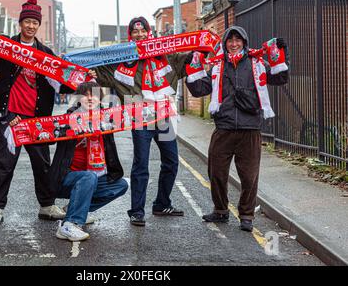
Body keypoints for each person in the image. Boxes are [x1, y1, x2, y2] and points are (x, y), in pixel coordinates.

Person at [0, 0, 72, 225]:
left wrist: (83, 79)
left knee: (43, 164)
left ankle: (47, 205)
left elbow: (63, 83)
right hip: (10, 116)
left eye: (35, 22)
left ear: (38, 25)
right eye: (27, 21)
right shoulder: (6, 47)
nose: (31, 26)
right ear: (20, 23)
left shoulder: (45, 54)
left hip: (36, 120)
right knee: (4, 163)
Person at [88, 17, 193, 226]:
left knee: (171, 162)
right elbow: (104, 72)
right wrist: (92, 71)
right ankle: (136, 211)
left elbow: (184, 59)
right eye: (135, 32)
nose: (140, 35)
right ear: (130, 35)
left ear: (149, 32)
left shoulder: (164, 54)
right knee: (141, 165)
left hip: (164, 118)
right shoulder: (124, 58)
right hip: (140, 120)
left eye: (143, 31)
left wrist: (198, 51)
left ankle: (162, 203)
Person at [185, 26, 289, 232]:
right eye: (230, 40)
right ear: (225, 43)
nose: (234, 44)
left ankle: (246, 215)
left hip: (250, 128)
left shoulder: (257, 62)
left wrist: (281, 56)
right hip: (223, 128)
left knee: (249, 176)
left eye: (238, 40)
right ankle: (221, 211)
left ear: (244, 42)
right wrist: (192, 65)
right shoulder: (216, 65)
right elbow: (199, 90)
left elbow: (279, 78)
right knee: (216, 172)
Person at [47, 82, 129, 241]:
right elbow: (44, 135)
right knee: (88, 176)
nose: (90, 99)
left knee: (121, 185)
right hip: (66, 178)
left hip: (91, 179)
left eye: (95, 95)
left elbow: (132, 117)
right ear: (78, 98)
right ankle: (69, 224)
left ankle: (76, 209)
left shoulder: (106, 119)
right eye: (86, 95)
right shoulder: (68, 118)